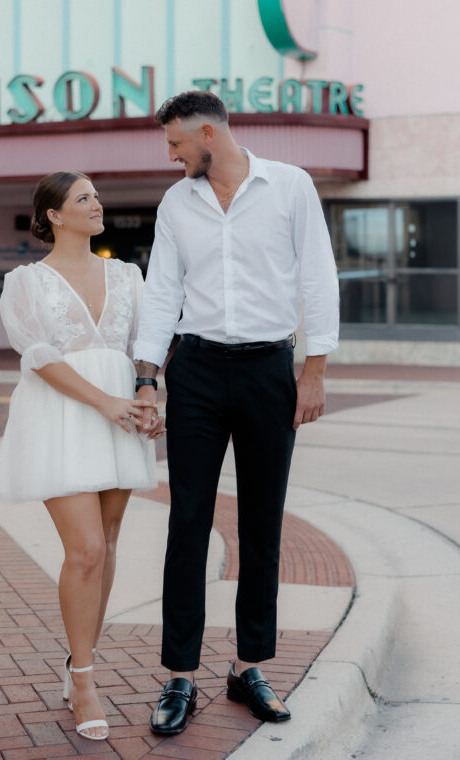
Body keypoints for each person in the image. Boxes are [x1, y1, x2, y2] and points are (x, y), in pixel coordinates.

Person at [133, 91, 339, 735]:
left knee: (262, 525)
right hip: (194, 369)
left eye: (175, 145)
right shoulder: (177, 202)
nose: (171, 157)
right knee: (188, 522)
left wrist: (314, 370)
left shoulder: (290, 187)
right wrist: (147, 378)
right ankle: (180, 676)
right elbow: (162, 287)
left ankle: (250, 666)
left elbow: (318, 278)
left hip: (267, 371)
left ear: (207, 134)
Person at [0, 170, 165, 742]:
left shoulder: (126, 273)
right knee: (85, 548)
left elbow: (146, 345)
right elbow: (38, 355)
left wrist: (145, 395)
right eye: (83, 198)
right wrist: (106, 402)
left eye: (96, 195)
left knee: (108, 543)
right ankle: (84, 681)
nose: (97, 203)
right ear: (56, 216)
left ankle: (79, 659)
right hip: (62, 416)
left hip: (119, 414)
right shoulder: (25, 282)